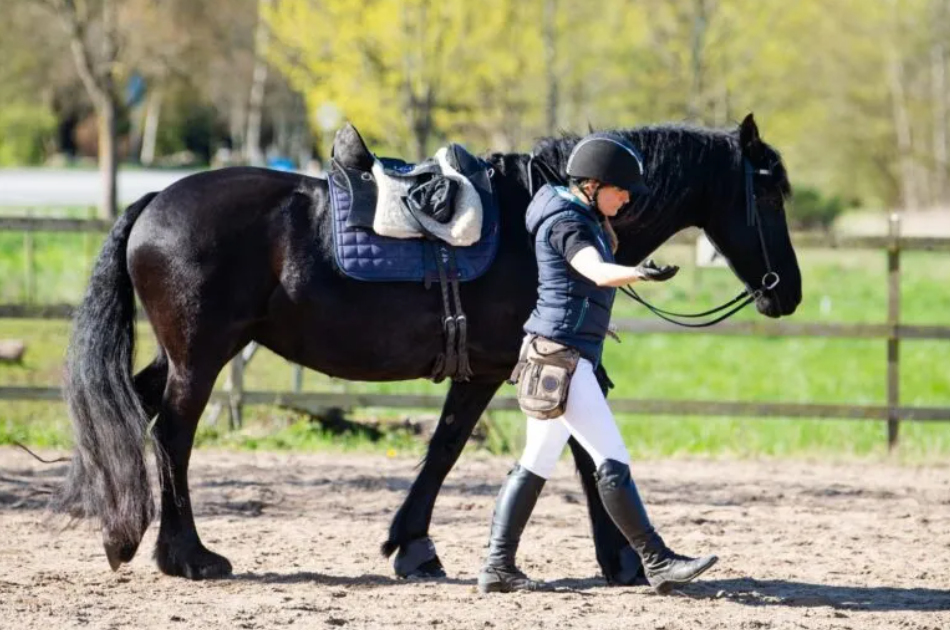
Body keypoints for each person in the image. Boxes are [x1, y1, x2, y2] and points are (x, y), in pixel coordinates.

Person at [478, 133, 718, 595]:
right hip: (564, 361)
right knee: (612, 458)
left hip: (556, 354)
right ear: (592, 184)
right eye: (621, 189)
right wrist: (641, 273)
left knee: (535, 461)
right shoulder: (569, 222)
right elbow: (594, 271)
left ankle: (497, 566)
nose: (626, 198)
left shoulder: (577, 213)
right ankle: (657, 559)